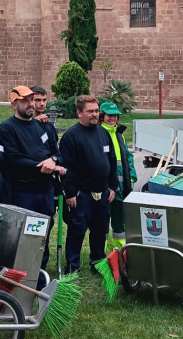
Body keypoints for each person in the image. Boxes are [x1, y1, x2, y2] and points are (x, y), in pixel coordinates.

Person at [0, 86, 65, 289]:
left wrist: (53, 160)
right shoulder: (7, 128)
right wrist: (42, 165)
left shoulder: (42, 127)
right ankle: (16, 280)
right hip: (22, 192)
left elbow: (56, 152)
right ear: (14, 104)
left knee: (43, 235)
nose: (31, 104)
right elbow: (12, 159)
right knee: (21, 238)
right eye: (25, 101)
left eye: (32, 100)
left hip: (45, 191)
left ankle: (39, 277)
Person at [59, 95, 118, 274]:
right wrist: (70, 193)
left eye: (95, 111)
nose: (94, 114)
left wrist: (113, 186)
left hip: (103, 193)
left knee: (100, 230)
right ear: (79, 112)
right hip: (81, 194)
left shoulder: (103, 133)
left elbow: (112, 162)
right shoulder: (71, 136)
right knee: (77, 231)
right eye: (90, 111)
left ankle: (98, 262)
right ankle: (72, 266)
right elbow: (66, 167)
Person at [99, 102, 138, 248]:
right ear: (102, 116)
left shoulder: (119, 135)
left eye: (115, 115)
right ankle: (100, 252)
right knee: (102, 220)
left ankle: (120, 251)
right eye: (110, 115)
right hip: (104, 186)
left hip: (121, 187)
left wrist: (132, 176)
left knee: (120, 222)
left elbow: (128, 157)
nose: (113, 118)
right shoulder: (98, 133)